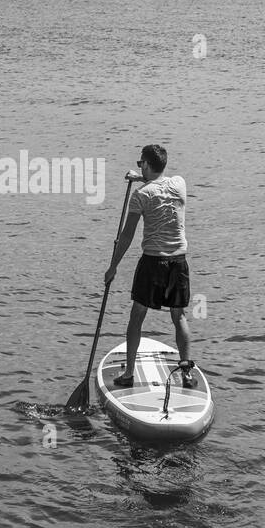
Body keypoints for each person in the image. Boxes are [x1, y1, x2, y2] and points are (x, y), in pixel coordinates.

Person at [104, 144, 195, 387]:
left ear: (145, 164)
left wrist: (112, 267)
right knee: (179, 316)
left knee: (137, 317)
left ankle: (128, 375)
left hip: (153, 263)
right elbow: (160, 182)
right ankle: (187, 373)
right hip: (178, 261)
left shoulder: (140, 196)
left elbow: (126, 236)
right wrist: (140, 176)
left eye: (140, 164)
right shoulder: (180, 183)